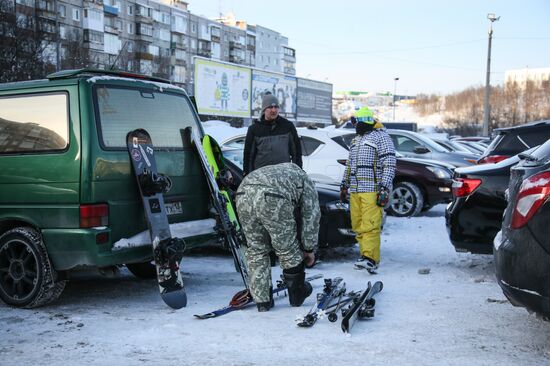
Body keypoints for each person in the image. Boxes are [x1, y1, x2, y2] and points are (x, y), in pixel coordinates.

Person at [235, 163, 321, 312]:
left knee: (256, 249)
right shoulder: (305, 179)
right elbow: (311, 215)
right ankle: (297, 295)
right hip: (272, 197)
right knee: (287, 248)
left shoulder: (281, 171)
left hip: (242, 194)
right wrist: (309, 248)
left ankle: (262, 301)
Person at [340, 107, 396, 272]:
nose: (355, 124)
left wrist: (384, 187)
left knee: (371, 225)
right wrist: (344, 184)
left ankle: (371, 258)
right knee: (358, 225)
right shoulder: (356, 140)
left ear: (364, 120)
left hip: (373, 189)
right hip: (356, 190)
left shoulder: (381, 137)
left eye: (356, 121)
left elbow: (390, 163)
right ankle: (364, 255)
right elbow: (350, 164)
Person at [243, 93, 302, 175]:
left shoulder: (288, 126)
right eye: (270, 107)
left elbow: (296, 153)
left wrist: (298, 173)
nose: (274, 110)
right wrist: (247, 175)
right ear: (264, 109)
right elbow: (248, 156)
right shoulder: (254, 129)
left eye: (276, 107)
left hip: (283, 177)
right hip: (262, 179)